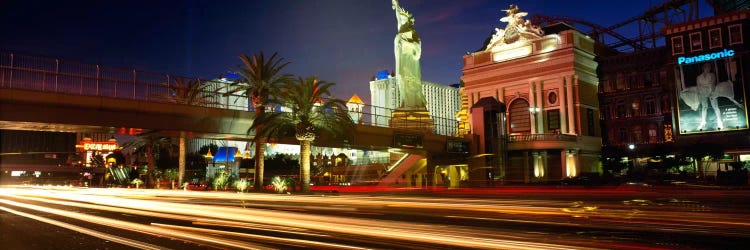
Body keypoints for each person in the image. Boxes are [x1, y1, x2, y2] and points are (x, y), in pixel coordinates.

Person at [392, 0, 426, 109]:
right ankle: (404, 102)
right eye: (401, 19)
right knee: (400, 77)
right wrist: (396, 4)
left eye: (404, 19)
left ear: (408, 20)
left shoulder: (412, 32)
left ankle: (413, 104)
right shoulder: (401, 29)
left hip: (410, 60)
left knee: (409, 80)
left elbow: (418, 45)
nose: (401, 20)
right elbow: (397, 15)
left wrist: (406, 43)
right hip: (401, 58)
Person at [695, 63, 722, 130]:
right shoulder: (699, 77)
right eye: (706, 67)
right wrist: (701, 93)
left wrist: (710, 91)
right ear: (703, 68)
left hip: (711, 93)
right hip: (703, 94)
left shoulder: (712, 75)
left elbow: (713, 84)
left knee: (715, 106)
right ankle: (703, 122)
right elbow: (698, 86)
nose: (708, 69)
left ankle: (720, 121)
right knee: (704, 107)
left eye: (709, 67)